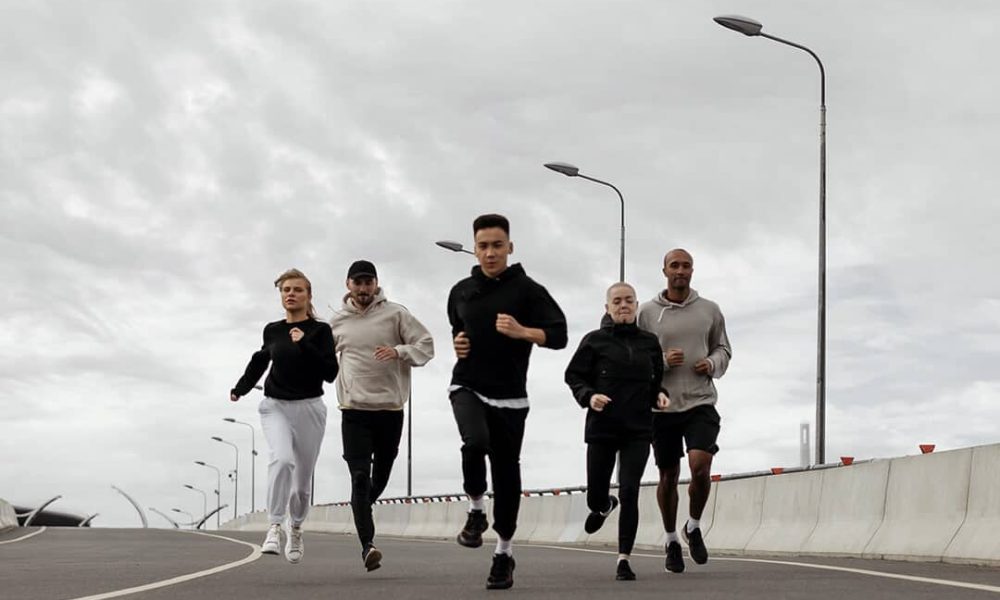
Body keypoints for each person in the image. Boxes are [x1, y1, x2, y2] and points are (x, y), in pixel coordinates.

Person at [447, 213, 568, 590]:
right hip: (467, 384)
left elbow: (560, 334)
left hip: (511, 397)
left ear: (510, 247)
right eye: (483, 246)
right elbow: (458, 327)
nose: (490, 253)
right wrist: (459, 342)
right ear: (475, 248)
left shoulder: (528, 290)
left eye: (497, 245)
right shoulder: (460, 290)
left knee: (507, 474)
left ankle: (503, 552)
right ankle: (476, 509)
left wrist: (523, 331)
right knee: (474, 442)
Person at [329, 259, 435, 572]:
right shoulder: (337, 323)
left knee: (380, 479)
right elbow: (318, 356)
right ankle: (368, 546)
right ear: (348, 285)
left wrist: (399, 351)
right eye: (357, 283)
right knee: (360, 477)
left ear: (375, 284)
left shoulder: (396, 314)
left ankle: (361, 508)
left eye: (368, 282)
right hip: (354, 411)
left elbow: (426, 345)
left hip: (390, 410)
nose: (363, 289)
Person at [230, 268, 338, 564]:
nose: (290, 294)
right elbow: (260, 360)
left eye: (297, 290)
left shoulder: (320, 331)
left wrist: (303, 342)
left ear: (308, 295)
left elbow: (330, 373)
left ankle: (297, 528)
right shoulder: (272, 330)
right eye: (286, 290)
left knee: (302, 484)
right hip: (275, 405)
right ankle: (275, 526)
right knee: (282, 459)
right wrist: (240, 387)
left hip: (310, 408)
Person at [565, 282, 671, 581]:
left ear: (636, 306)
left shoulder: (650, 342)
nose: (623, 305)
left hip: (638, 429)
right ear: (608, 308)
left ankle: (624, 559)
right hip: (602, 429)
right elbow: (573, 375)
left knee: (630, 490)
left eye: (628, 301)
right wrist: (589, 396)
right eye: (617, 301)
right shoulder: (594, 341)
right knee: (596, 495)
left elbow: (655, 382)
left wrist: (659, 395)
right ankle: (602, 506)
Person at [637, 248, 732, 573]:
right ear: (664, 270)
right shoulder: (646, 313)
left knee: (700, 465)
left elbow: (723, 347)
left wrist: (713, 363)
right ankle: (671, 539)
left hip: (700, 401)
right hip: (661, 406)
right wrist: (662, 362)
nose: (680, 270)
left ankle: (692, 525)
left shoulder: (710, 310)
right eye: (674, 265)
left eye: (686, 265)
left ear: (692, 271)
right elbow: (635, 357)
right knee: (668, 475)